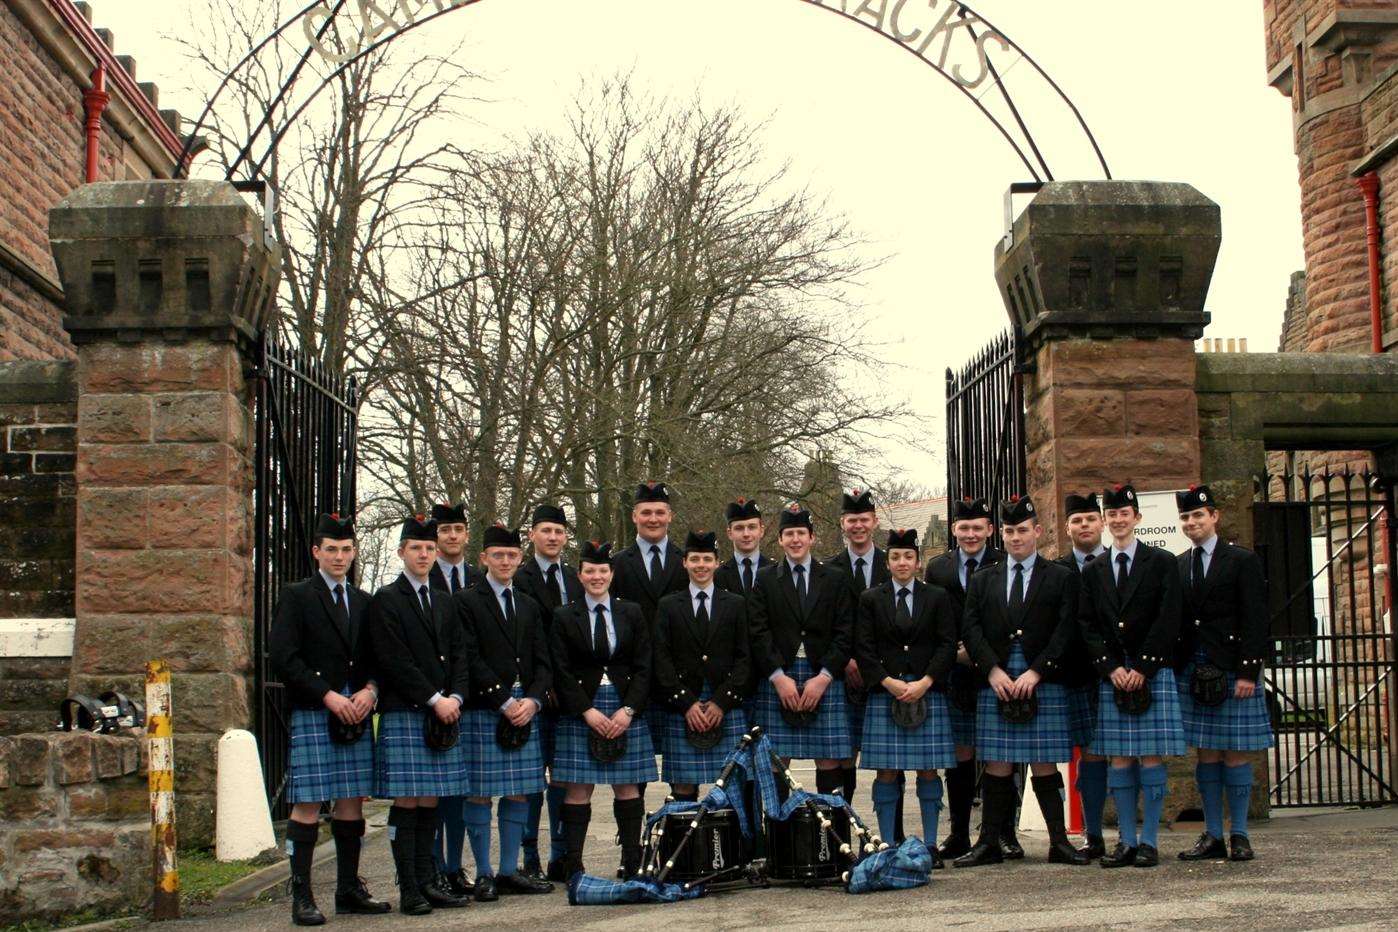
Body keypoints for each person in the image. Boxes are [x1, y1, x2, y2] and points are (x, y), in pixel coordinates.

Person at [269, 512, 390, 925]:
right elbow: (283, 657)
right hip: (315, 711)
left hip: (355, 713)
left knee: (352, 802)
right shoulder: (298, 596)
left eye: (346, 550)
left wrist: (370, 691)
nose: (339, 557)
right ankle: (301, 896)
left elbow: (377, 657)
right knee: (307, 804)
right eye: (332, 550)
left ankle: (348, 888)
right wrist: (327, 696)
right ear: (316, 552)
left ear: (354, 553)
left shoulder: (363, 601)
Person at [955, 496, 1090, 867]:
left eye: (1023, 530)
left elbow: (1066, 629)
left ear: (1038, 531)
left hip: (1040, 675)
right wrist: (992, 670)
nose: (1016, 538)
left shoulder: (1060, 577)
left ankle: (1059, 843)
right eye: (1010, 531)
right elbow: (971, 627)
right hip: (997, 674)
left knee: (1045, 761)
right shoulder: (984, 580)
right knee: (997, 761)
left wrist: (1037, 671)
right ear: (1002, 533)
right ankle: (989, 843)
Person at [369, 514, 473, 913]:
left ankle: (428, 880)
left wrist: (458, 697)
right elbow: (393, 659)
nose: (425, 554)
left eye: (429, 549)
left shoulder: (444, 600)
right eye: (417, 548)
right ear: (402, 553)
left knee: (430, 799)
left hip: (444, 711)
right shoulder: (387, 600)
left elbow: (460, 655)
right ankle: (408, 886)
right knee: (408, 801)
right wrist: (435, 699)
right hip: (408, 710)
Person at [1078, 484, 1185, 869]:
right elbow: (1086, 624)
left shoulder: (1161, 562)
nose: (1119, 520)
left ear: (1137, 518)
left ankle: (1150, 841)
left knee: (1151, 757)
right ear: (1106, 521)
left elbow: (1169, 617)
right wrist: (1111, 667)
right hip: (1114, 673)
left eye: (1125, 513)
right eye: (1113, 514)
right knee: (1120, 759)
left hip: (1150, 669)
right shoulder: (1093, 570)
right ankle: (1124, 841)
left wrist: (1143, 666)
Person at [1173, 485, 1273, 863]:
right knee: (1207, 755)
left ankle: (1241, 835)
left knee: (1237, 754)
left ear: (1213, 516)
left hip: (1232, 669)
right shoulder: (1180, 564)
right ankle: (1213, 834)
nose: (1191, 522)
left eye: (1198, 515)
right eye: (1185, 517)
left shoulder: (1241, 560)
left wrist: (1249, 670)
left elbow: (1256, 617)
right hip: (1193, 668)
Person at [454, 524, 555, 900]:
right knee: (479, 793)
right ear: (483, 559)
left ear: (520, 558)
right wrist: (503, 700)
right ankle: (483, 873)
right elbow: (469, 657)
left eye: (512, 555)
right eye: (498, 555)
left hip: (525, 707)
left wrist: (534, 700)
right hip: (486, 708)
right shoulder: (466, 601)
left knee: (519, 793)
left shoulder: (527, 604)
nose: (506, 561)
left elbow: (543, 662)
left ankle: (509, 870)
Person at [550, 541, 657, 879]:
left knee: (627, 785)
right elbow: (560, 669)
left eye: (602, 571)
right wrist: (586, 710)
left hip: (624, 706)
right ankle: (574, 863)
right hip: (583, 709)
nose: (596, 576)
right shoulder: (565, 615)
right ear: (580, 575)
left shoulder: (632, 612)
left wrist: (628, 710)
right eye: (589, 571)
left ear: (612, 574)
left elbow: (644, 665)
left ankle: (631, 860)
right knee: (578, 787)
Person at [854, 528, 957, 865]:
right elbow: (864, 647)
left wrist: (926, 681)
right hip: (887, 691)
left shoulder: (937, 596)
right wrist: (887, 682)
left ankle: (930, 844)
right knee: (886, 770)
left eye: (908, 557)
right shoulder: (871, 599)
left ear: (917, 561)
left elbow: (946, 644)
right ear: (888, 562)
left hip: (927, 690)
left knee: (928, 770)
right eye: (896, 557)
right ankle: (886, 844)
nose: (902, 562)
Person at [748, 503, 854, 797]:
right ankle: (780, 837)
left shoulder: (834, 578)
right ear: (780, 539)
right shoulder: (766, 578)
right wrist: (777, 677)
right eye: (789, 534)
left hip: (823, 675)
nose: (795, 540)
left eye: (801, 533)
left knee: (830, 758)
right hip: (779, 676)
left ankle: (831, 840)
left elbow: (845, 633)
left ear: (812, 538)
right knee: (776, 760)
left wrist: (824, 677)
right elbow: (758, 632)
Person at [924, 497, 1009, 859]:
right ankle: (958, 833)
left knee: (1000, 754)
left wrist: (981, 653)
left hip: (994, 669)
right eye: (964, 528)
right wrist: (953, 653)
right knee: (959, 756)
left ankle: (1003, 834)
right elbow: (933, 618)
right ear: (954, 530)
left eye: (978, 527)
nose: (970, 534)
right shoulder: (937, 568)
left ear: (990, 530)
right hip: (954, 672)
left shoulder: (1005, 563)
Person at [512, 504, 584, 882]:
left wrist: (567, 687)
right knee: (529, 779)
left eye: (558, 530)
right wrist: (543, 687)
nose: (553, 537)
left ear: (565, 536)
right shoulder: (519, 578)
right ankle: (530, 855)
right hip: (533, 692)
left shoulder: (576, 578)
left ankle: (560, 854)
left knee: (563, 776)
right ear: (532, 535)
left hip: (569, 697)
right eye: (545, 531)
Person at [653, 530, 752, 800]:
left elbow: (745, 658)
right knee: (683, 787)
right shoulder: (669, 605)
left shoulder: (735, 604)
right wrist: (686, 702)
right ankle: (689, 843)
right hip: (683, 704)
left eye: (707, 559)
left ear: (717, 563)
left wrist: (722, 701)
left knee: (733, 785)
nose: (701, 565)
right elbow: (661, 659)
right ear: (684, 562)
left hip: (725, 703)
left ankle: (732, 844)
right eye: (694, 559)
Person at [824, 489, 891, 815]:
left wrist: (874, 666)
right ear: (842, 523)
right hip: (844, 673)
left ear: (874, 522)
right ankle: (842, 823)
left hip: (884, 675)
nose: (858, 525)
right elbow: (828, 624)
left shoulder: (892, 563)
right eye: (852, 520)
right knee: (843, 754)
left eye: (864, 519)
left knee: (888, 759)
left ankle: (891, 833)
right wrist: (847, 660)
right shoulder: (829, 570)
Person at [610, 481, 687, 760]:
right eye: (646, 512)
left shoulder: (688, 563)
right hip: (632, 679)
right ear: (634, 516)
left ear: (670, 516)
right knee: (633, 769)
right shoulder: (614, 565)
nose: (653, 519)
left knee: (683, 768)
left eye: (659, 512)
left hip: (679, 677)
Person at [426, 501, 480, 897]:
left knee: (460, 789)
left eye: (458, 528)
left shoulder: (480, 577)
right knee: (433, 790)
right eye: (444, 529)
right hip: (433, 697)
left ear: (466, 534)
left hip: (474, 697)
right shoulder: (422, 577)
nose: (451, 535)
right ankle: (430, 869)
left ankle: (454, 866)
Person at [1056, 492, 1111, 860]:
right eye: (1077, 520)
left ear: (1102, 522)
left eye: (1091, 518)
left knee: (1127, 755)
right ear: (1067, 527)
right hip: (1075, 676)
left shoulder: (1121, 563)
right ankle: (1093, 834)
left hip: (1114, 675)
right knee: (1087, 756)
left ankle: (1134, 837)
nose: (1084, 525)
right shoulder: (1057, 571)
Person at [714, 498, 772, 596]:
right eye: (739, 528)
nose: (746, 534)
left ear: (761, 531)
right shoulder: (717, 576)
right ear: (729, 533)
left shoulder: (776, 573)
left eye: (752, 527)